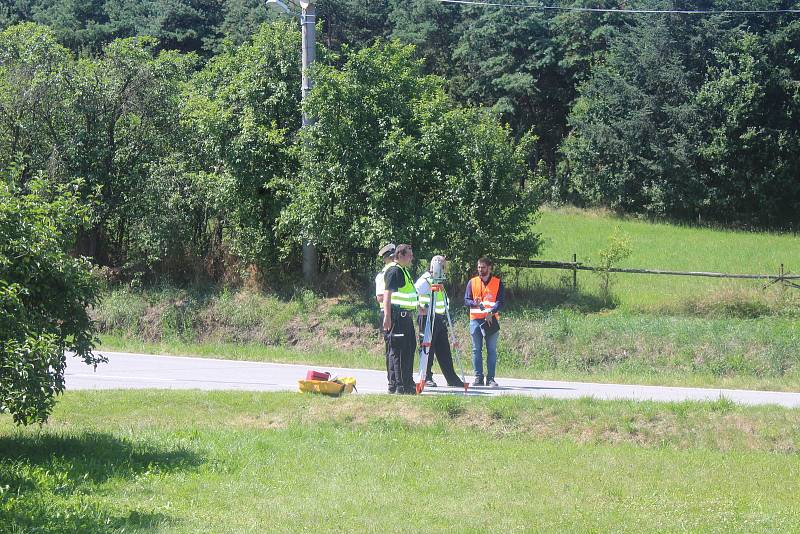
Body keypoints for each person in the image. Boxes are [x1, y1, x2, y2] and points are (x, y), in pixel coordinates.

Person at [415, 256, 465, 388]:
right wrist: (419, 308)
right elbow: (414, 293)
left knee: (444, 349)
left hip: (439, 318)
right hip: (428, 318)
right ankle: (426, 377)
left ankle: (452, 378)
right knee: (427, 348)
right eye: (442, 267)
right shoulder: (425, 280)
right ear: (435, 266)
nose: (444, 270)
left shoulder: (438, 281)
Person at [464, 256, 505, 387]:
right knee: (476, 350)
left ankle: (491, 378)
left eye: (483, 267)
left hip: (491, 320)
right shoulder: (472, 282)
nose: (480, 270)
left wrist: (491, 312)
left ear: (489, 268)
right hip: (475, 319)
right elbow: (466, 300)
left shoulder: (498, 282)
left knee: (491, 350)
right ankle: (478, 377)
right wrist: (473, 303)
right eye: (479, 267)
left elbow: (500, 301)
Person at [382, 244, 418, 394]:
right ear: (400, 255)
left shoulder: (403, 270)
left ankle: (408, 384)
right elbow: (387, 295)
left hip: (406, 317)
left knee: (409, 348)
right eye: (409, 255)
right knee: (399, 352)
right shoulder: (394, 270)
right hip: (397, 318)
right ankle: (399, 386)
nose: (411, 258)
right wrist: (387, 316)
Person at [375, 243, 396, 391]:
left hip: (394, 312)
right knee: (391, 349)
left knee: (395, 349)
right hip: (387, 313)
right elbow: (380, 297)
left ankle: (395, 380)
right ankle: (392, 381)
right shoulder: (383, 275)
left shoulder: (394, 272)